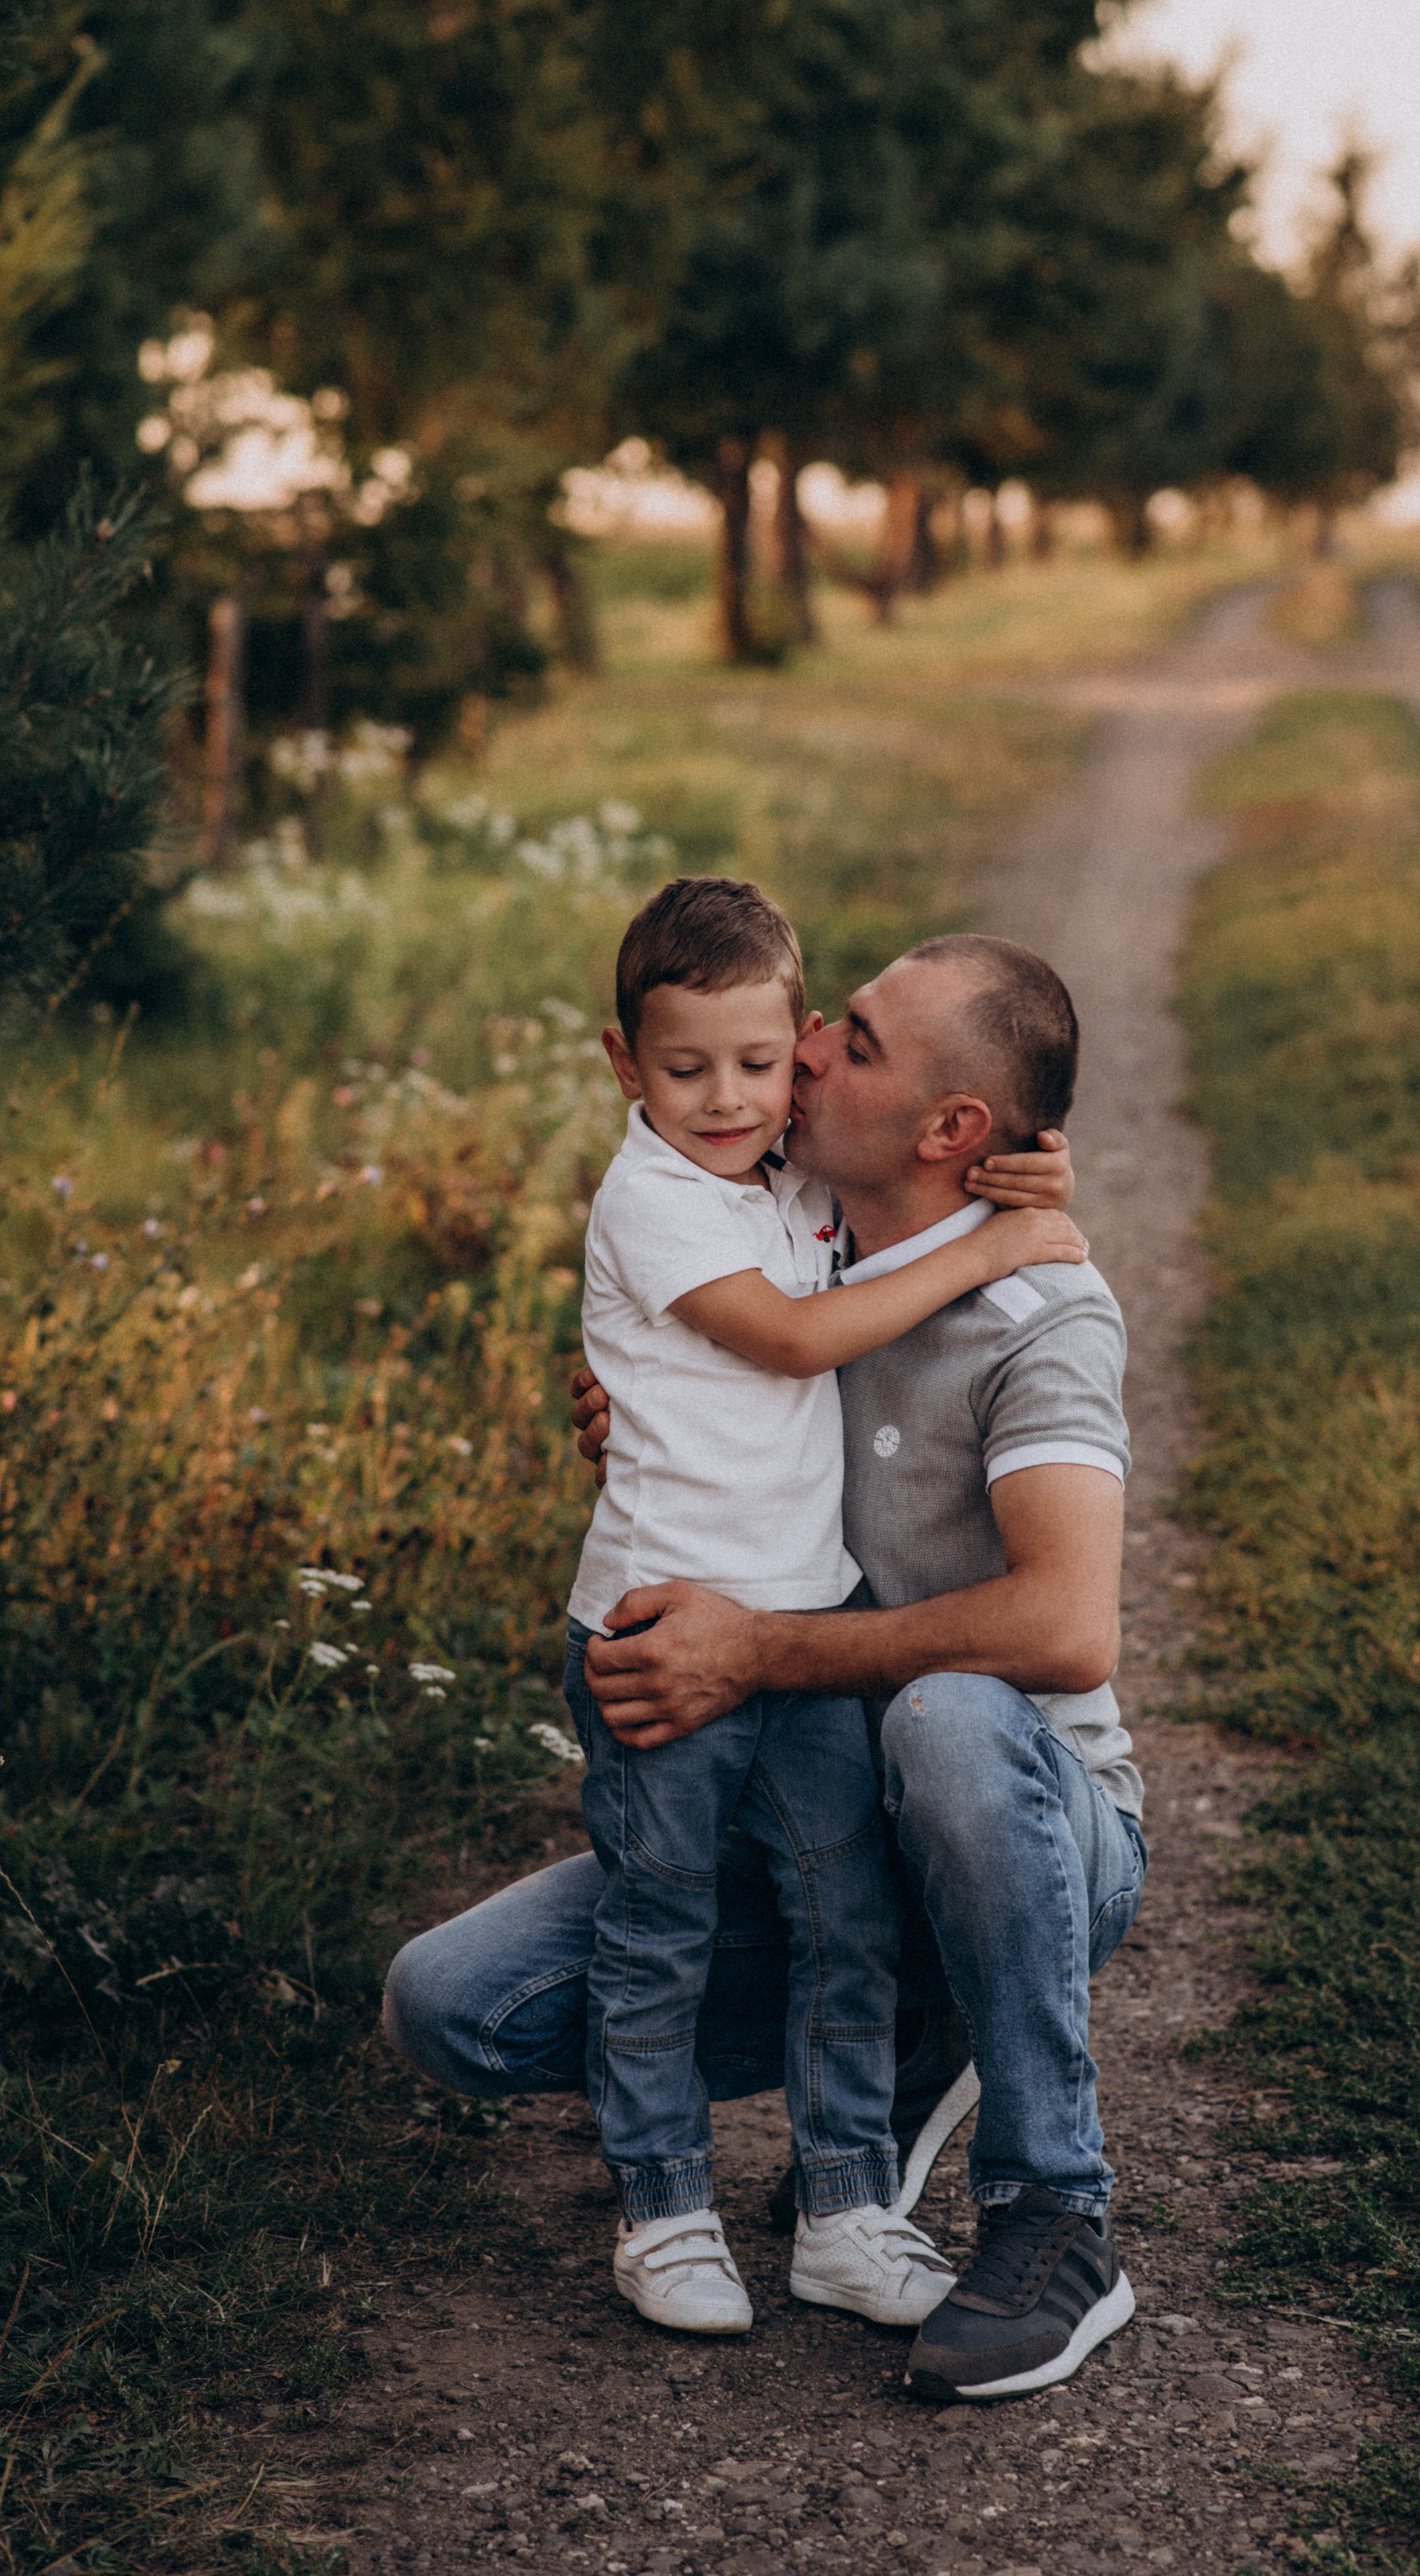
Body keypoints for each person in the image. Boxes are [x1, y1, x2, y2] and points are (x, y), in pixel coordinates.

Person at [386, 928, 1144, 2402]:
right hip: (806, 1821)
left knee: (943, 1714)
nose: (800, 1053)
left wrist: (758, 1650)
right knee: (453, 2001)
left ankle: (1053, 2210)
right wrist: (642, 1418)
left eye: (845, 1040)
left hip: (1036, 1823)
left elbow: (1067, 1629)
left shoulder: (1042, 1314)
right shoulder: (791, 1237)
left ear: (950, 1131)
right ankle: (924, 2023)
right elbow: (718, 1364)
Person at [549, 878, 1084, 2338]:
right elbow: (788, 1339)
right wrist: (999, 1241)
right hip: (664, 1633)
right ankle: (662, 2206)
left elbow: (940, 1157)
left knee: (844, 1915)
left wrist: (1030, 1187)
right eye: (682, 1070)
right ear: (622, 1064)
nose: (729, 1098)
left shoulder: (787, 1175)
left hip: (800, 1628)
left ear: (792, 1047)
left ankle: (846, 2204)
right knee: (654, 1922)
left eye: (766, 1059)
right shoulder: (651, 1195)